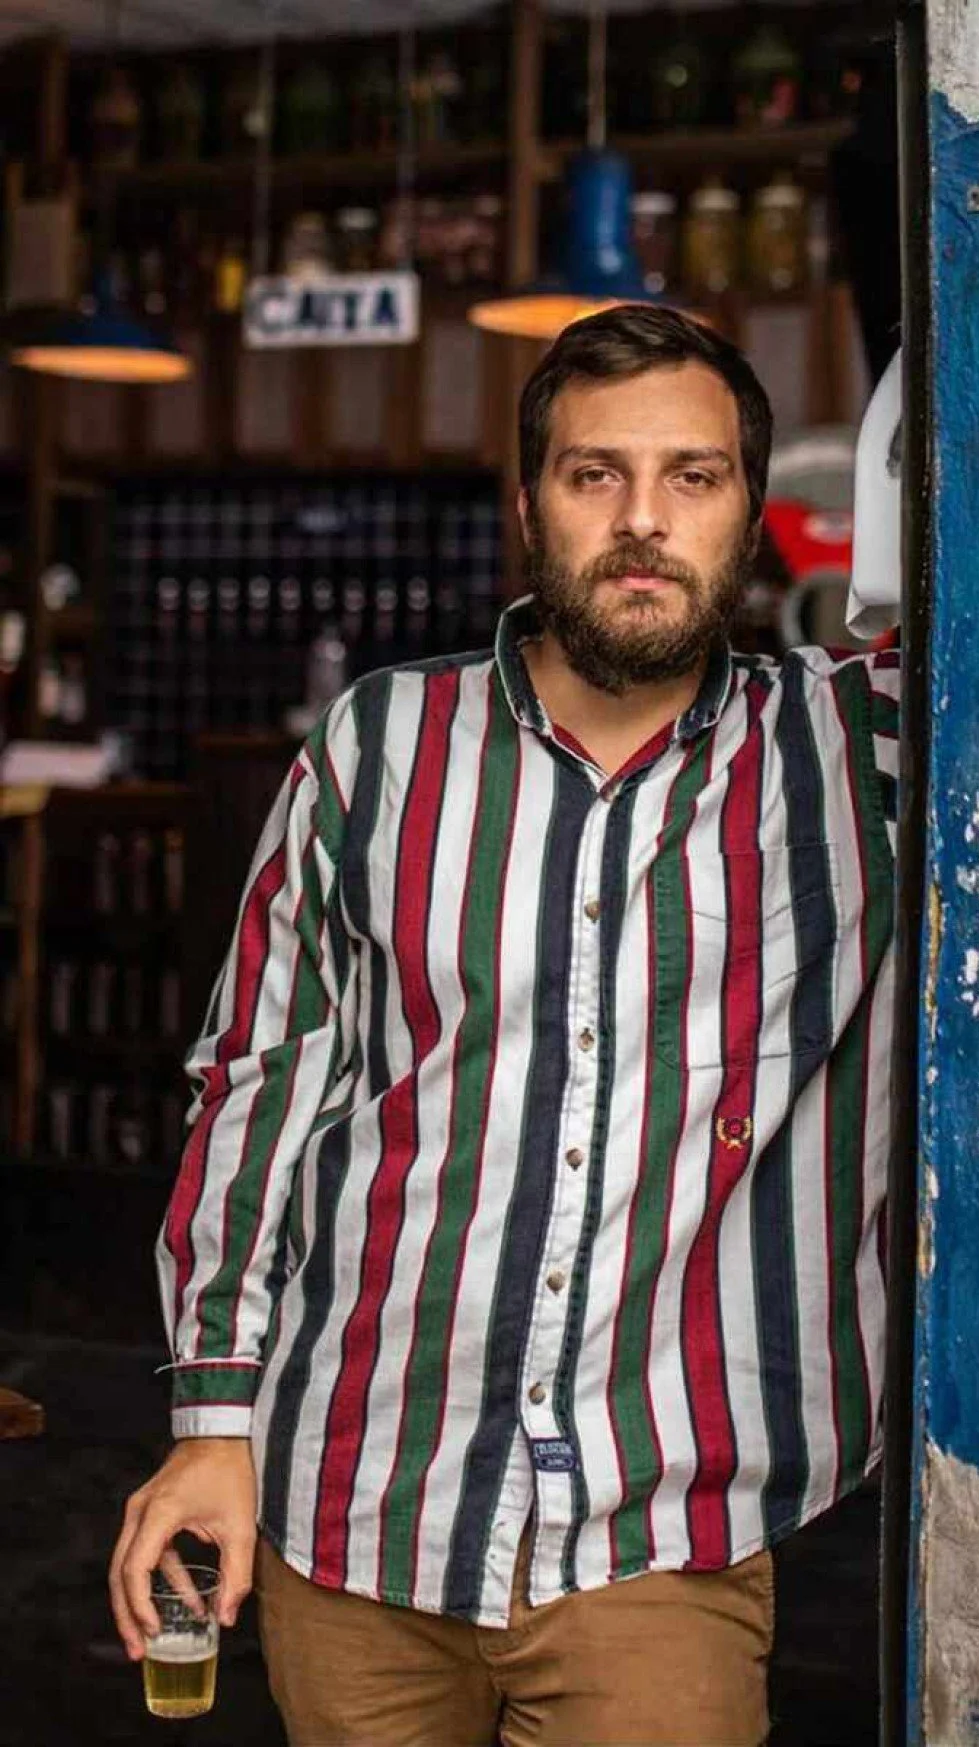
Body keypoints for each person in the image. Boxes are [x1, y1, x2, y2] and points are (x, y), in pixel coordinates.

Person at [109, 304, 899, 1747]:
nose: (644, 519)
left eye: (694, 476)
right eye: (597, 474)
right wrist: (212, 1426)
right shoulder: (378, 744)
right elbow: (258, 1085)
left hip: (659, 1535)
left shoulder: (864, 753)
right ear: (531, 505)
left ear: (755, 511)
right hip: (354, 1507)